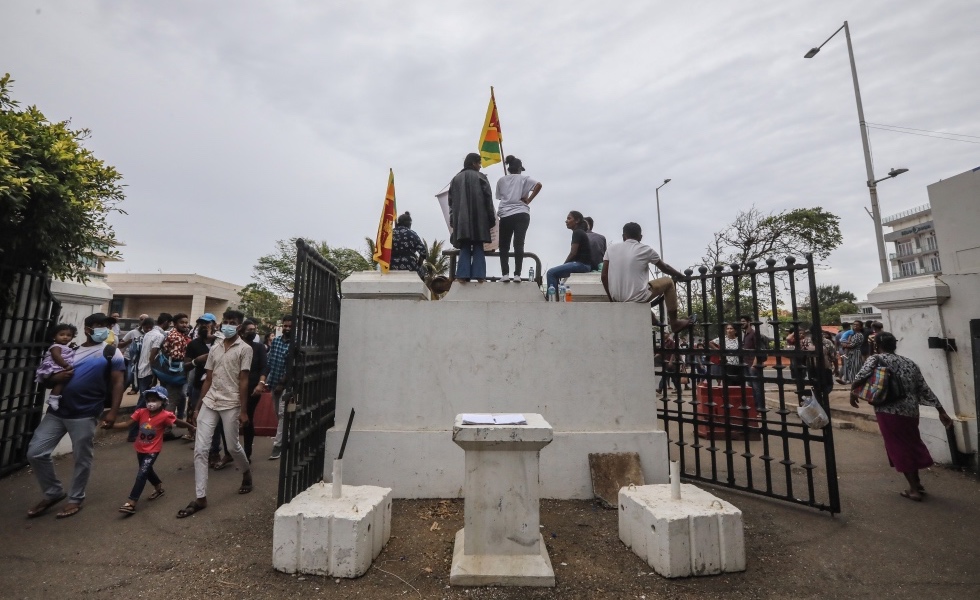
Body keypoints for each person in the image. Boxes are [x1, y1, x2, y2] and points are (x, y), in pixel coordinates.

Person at [26, 312, 125, 519]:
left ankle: (76, 498)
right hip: (57, 411)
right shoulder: (70, 351)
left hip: (85, 413)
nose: (104, 330)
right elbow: (46, 378)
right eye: (99, 326)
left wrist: (113, 412)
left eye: (106, 326)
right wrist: (56, 377)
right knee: (36, 452)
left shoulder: (111, 353)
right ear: (88, 330)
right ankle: (53, 492)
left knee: (82, 457)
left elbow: (118, 383)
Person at [849, 332, 954, 502]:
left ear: (877, 345)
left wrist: (852, 392)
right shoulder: (909, 362)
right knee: (910, 443)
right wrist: (941, 410)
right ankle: (917, 483)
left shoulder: (875, 359)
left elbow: (860, 376)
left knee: (899, 447)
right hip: (911, 411)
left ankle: (914, 489)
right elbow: (924, 388)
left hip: (889, 409)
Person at [180, 310, 253, 517]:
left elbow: (244, 380)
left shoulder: (245, 349)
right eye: (226, 322)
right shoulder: (215, 347)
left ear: (239, 326)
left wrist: (244, 411)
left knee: (232, 446)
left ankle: (246, 471)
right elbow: (208, 378)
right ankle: (200, 497)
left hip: (231, 402)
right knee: (200, 450)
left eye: (233, 323)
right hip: (211, 400)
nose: (228, 325)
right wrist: (197, 406)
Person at [600, 222, 694, 332]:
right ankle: (675, 322)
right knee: (668, 282)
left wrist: (612, 299)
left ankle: (652, 317)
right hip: (638, 297)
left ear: (623, 236)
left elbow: (604, 276)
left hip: (617, 298)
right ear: (640, 237)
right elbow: (665, 268)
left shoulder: (611, 249)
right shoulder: (645, 249)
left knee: (639, 288)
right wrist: (679, 275)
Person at [114, 386, 193, 515]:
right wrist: (112, 425)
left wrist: (192, 427)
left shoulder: (165, 415)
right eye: (149, 400)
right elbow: (127, 424)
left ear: (162, 401)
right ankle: (158, 487)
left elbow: (179, 422)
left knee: (142, 473)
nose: (151, 403)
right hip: (140, 448)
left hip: (153, 450)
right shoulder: (141, 412)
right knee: (147, 470)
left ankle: (132, 502)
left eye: (154, 400)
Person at [448, 152, 494, 283]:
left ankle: (462, 276)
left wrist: (453, 221)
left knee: (465, 246)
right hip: (480, 219)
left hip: (461, 221)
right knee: (478, 245)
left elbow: (451, 204)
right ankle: (480, 276)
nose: (480, 166)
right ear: (474, 163)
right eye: (479, 163)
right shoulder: (481, 177)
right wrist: (491, 219)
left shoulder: (455, 179)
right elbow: (488, 200)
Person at [495, 154, 542, 282]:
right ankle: (517, 275)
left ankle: (505, 274)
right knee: (519, 244)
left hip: (506, 214)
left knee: (504, 245)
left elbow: (500, 197)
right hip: (522, 213)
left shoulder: (501, 180)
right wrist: (529, 200)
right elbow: (539, 185)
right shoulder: (524, 178)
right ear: (520, 168)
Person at [258, 315, 293, 460]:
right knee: (279, 414)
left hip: (287, 385)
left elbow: (292, 367)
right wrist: (263, 380)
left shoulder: (295, 344)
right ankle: (288, 437)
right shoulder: (277, 341)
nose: (287, 329)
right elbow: (269, 362)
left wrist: (281, 384)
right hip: (274, 383)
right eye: (285, 326)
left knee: (283, 413)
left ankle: (278, 446)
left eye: (290, 326)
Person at [240, 319, 268, 463]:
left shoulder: (259, 348)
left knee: (248, 418)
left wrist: (260, 384)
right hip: (235, 388)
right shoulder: (236, 346)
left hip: (252, 389)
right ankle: (230, 451)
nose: (252, 331)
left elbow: (264, 367)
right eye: (249, 329)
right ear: (242, 331)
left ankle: (247, 452)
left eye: (254, 329)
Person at [546, 211, 592, 294]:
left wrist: (564, 264)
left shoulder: (577, 232)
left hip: (582, 265)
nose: (566, 221)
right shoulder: (580, 232)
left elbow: (573, 253)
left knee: (550, 273)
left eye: (569, 218)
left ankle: (551, 299)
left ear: (577, 220)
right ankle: (554, 298)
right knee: (555, 274)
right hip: (585, 265)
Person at [35, 323, 77, 412]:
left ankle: (54, 397)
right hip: (54, 367)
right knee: (61, 382)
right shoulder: (55, 346)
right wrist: (65, 365)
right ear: (54, 336)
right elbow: (56, 356)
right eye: (62, 335)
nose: (65, 337)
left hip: (58, 367)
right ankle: (53, 397)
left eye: (68, 335)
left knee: (61, 383)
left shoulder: (63, 346)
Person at [119, 317, 153, 394]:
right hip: (131, 359)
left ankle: (136, 390)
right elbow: (120, 344)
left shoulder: (152, 335)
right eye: (146, 327)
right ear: (142, 326)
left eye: (150, 328)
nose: (148, 329)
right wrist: (129, 341)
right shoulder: (133, 332)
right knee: (129, 377)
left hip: (143, 360)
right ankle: (119, 394)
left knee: (141, 378)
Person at [739, 316, 767, 411]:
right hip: (746, 363)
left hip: (753, 364)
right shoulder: (745, 334)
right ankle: (755, 407)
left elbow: (759, 350)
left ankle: (760, 408)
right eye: (740, 322)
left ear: (749, 322)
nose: (741, 323)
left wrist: (754, 364)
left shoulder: (754, 333)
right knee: (751, 387)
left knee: (757, 387)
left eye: (743, 321)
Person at [391, 211, 426, 278]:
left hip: (391, 265)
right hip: (409, 265)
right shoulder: (412, 234)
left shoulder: (390, 234)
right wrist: (419, 264)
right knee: (423, 274)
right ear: (409, 224)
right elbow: (423, 252)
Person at [837, 320, 865, 384]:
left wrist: (844, 345)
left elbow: (852, 345)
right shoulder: (852, 334)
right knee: (850, 367)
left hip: (856, 353)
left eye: (857, 325)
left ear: (860, 327)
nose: (855, 326)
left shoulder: (858, 335)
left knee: (855, 368)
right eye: (854, 324)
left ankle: (855, 383)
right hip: (851, 353)